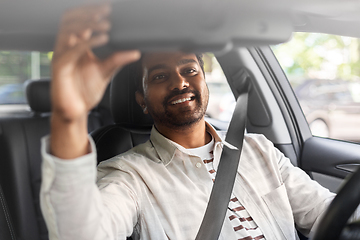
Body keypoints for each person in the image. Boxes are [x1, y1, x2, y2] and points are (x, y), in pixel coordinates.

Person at [40, 3, 337, 240]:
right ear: (141, 100)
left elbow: (330, 213)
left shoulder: (259, 149)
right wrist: (70, 118)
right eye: (159, 76)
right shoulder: (128, 174)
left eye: (190, 70)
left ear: (205, 82)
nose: (180, 82)